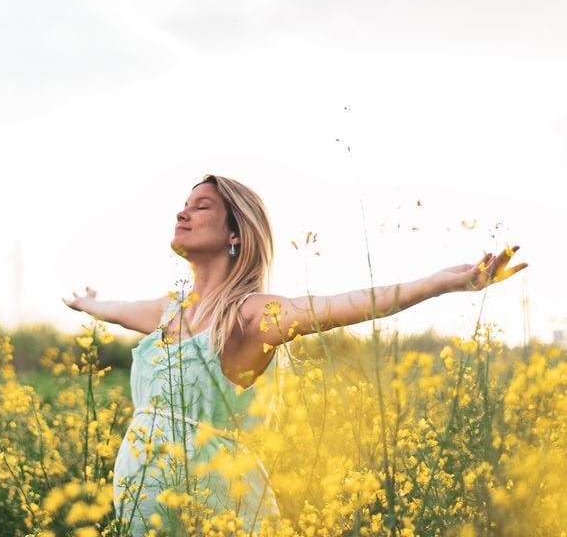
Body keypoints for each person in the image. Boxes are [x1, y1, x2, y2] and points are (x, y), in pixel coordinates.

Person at [63, 174, 527, 536]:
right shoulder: (170, 312)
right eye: (183, 206)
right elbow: (117, 312)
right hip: (142, 499)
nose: (182, 214)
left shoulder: (247, 315)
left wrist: (437, 284)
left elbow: (337, 306)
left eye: (200, 206)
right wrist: (88, 303)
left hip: (211, 500)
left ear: (236, 234)